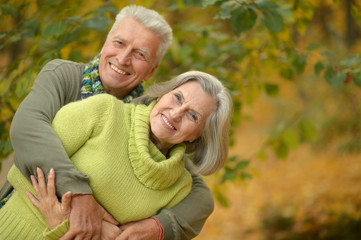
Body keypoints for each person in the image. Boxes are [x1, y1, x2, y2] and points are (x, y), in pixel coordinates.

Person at [0, 5, 216, 240]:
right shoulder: (64, 76)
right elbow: (28, 129)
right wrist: (81, 197)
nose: (123, 59)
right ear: (105, 43)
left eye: (140, 54)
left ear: (151, 70)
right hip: (18, 214)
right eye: (119, 43)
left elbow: (199, 195)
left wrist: (159, 225)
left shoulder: (151, 116)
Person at [0, 71, 233, 240]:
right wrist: (94, 225)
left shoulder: (180, 187)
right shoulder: (104, 111)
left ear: (199, 135)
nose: (176, 113)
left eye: (193, 116)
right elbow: (22, 171)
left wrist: (62, 223)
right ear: (163, 94)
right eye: (177, 98)